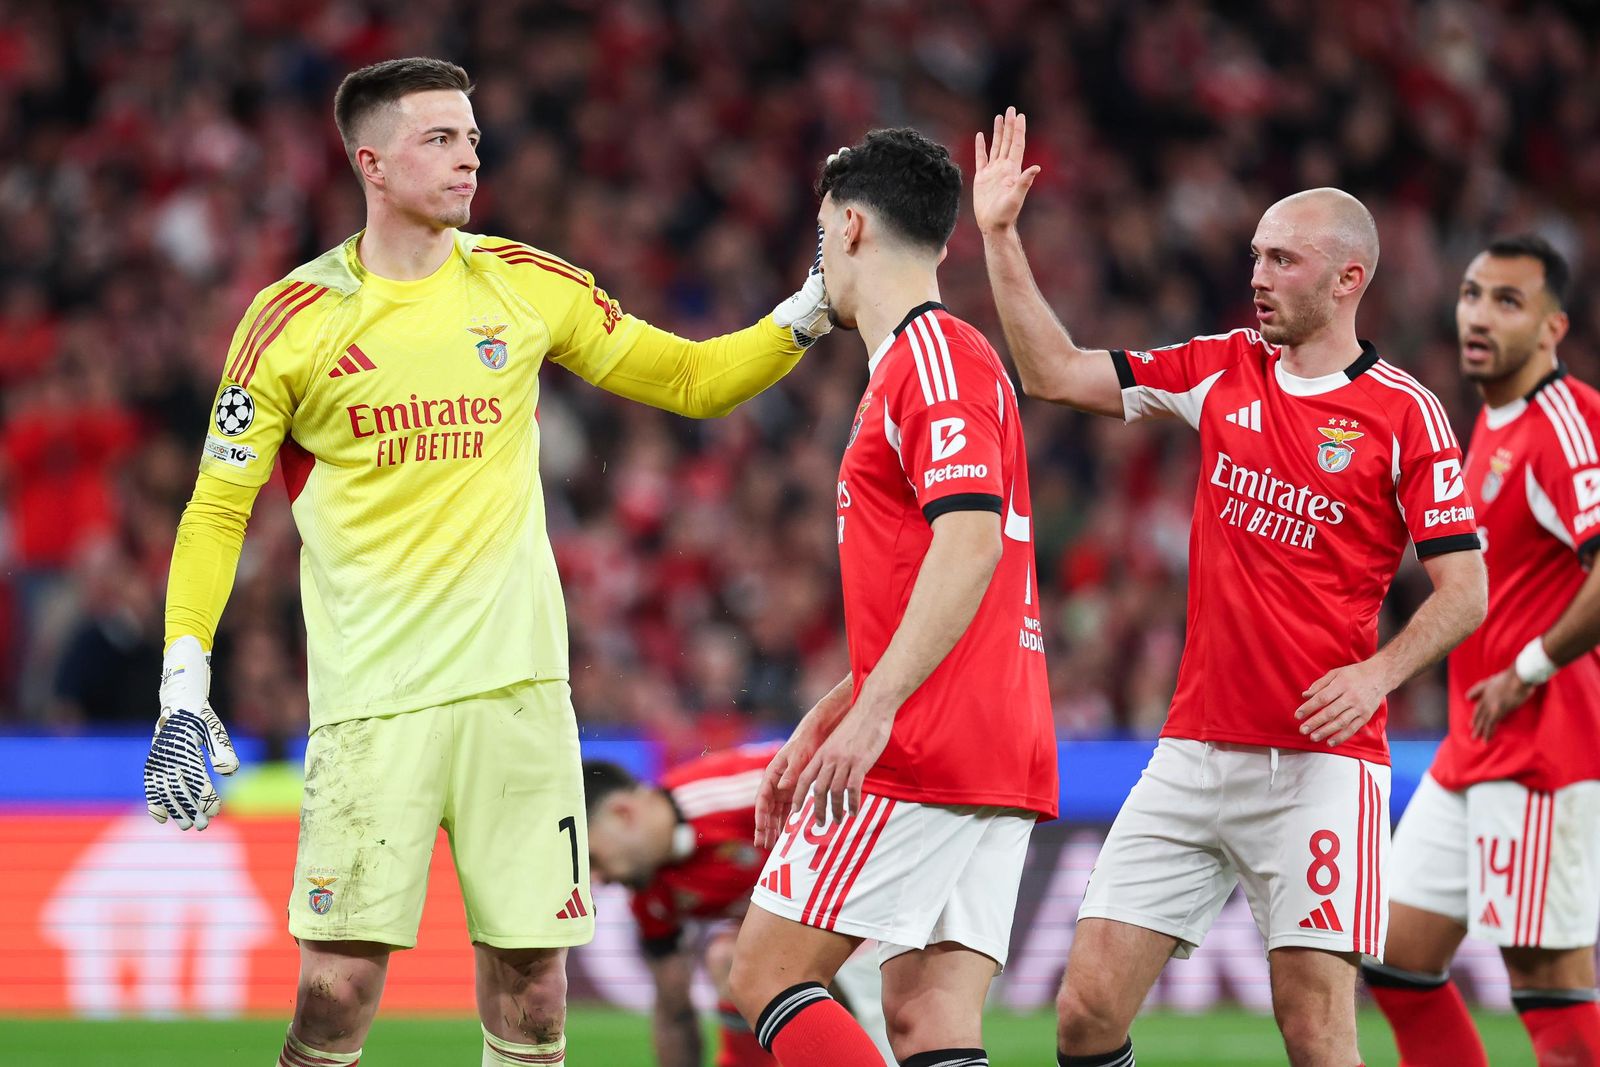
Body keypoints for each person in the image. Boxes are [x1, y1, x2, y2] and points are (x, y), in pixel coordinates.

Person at [139, 57, 831, 1067]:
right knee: (335, 988)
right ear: (370, 163)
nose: (468, 155)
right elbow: (215, 508)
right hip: (374, 697)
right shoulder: (290, 320)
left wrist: (809, 308)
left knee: (536, 994)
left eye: (469, 136)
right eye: (439, 138)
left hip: (517, 693)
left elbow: (687, 377)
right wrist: (184, 676)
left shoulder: (522, 284)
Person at [972, 108, 1488, 1067]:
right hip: (1194, 751)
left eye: (1283, 260)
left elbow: (1465, 589)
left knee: (1317, 1031)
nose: (1256, 275)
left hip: (1323, 770)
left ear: (1348, 279)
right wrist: (1000, 234)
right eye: (1255, 255)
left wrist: (1379, 676)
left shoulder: (1404, 414)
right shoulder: (1219, 369)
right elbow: (1050, 372)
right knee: (1084, 1015)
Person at [726, 128, 1057, 1067]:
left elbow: (970, 542)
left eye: (823, 228)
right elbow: (934, 582)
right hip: (994, 734)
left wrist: (874, 711)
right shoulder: (935, 364)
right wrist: (830, 711)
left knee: (764, 972)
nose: (818, 254)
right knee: (927, 1022)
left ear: (855, 225)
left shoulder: (933, 360)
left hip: (929, 742)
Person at [1365, 235, 1600, 1067]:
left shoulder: (1567, 424)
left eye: (1508, 301)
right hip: (1477, 747)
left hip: (1541, 747)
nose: (1479, 315)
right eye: (1471, 294)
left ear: (1551, 327)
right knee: (1393, 955)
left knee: (1546, 986)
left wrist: (1529, 667)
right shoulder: (1494, 427)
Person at [583, 751, 893, 1067]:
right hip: (831, 929)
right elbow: (673, 1006)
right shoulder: (650, 893)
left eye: (592, 858)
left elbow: (869, 803)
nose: (597, 879)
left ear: (623, 814)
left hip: (884, 897)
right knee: (733, 960)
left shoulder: (739, 794)